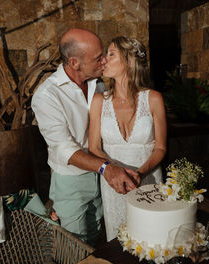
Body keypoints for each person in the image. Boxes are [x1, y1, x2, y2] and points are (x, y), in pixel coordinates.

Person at [31, 29, 140, 246]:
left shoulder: (97, 83)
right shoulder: (47, 96)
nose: (103, 61)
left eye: (105, 55)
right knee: (75, 246)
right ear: (75, 63)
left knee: (99, 237)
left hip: (101, 176)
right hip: (71, 181)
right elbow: (64, 149)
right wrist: (106, 168)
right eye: (97, 57)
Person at [89, 36, 167, 241]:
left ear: (130, 61)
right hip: (114, 185)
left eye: (111, 54)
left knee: (153, 241)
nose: (104, 60)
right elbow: (94, 147)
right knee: (119, 242)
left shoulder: (154, 99)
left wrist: (139, 173)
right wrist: (116, 171)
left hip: (148, 180)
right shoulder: (99, 101)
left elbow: (160, 148)